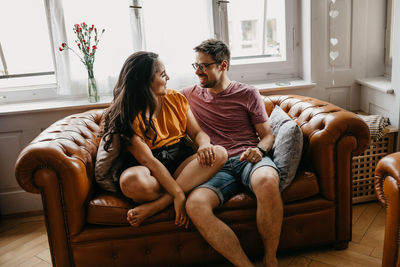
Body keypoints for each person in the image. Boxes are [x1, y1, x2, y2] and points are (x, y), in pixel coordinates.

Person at [182, 39, 282, 267]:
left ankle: (270, 259)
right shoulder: (188, 96)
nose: (198, 71)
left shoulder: (247, 93)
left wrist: (259, 150)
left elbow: (268, 135)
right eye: (195, 65)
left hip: (248, 158)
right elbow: (153, 97)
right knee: (194, 204)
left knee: (267, 180)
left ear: (223, 65)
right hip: (216, 166)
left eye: (204, 66)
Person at [99, 51, 227, 228]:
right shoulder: (126, 115)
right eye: (162, 74)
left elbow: (198, 133)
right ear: (145, 81)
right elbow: (148, 161)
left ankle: (158, 205)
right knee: (130, 182)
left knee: (219, 153)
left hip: (180, 160)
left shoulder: (175, 98)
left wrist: (204, 145)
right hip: (149, 169)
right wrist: (179, 194)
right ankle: (180, 190)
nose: (168, 77)